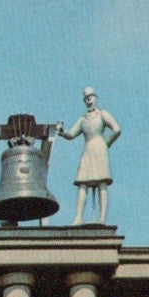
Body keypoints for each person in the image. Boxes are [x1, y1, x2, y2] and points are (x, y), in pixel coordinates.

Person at [57, 88, 121, 226]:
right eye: (86, 98)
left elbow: (116, 129)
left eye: (91, 97)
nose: (89, 100)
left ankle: (102, 218)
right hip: (88, 149)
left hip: (100, 147)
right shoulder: (83, 119)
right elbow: (71, 134)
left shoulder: (102, 114)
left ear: (95, 98)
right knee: (82, 183)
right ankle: (78, 217)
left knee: (102, 183)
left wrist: (107, 143)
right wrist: (62, 132)